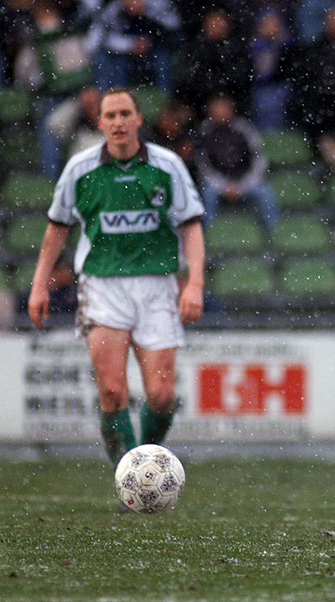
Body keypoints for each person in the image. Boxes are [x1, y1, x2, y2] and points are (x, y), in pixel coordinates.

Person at [27, 88, 205, 481]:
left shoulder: (168, 165)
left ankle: (148, 460)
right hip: (102, 285)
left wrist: (193, 283)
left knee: (160, 396)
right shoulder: (80, 168)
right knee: (112, 391)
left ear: (139, 119)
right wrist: (40, 283)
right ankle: (126, 475)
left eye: (126, 113)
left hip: (157, 285)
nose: (119, 121)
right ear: (100, 122)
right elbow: (57, 227)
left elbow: (191, 225)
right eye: (111, 115)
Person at [195, 94, 280, 235]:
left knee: (265, 193)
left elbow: (259, 159)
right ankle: (207, 237)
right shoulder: (204, 130)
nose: (220, 112)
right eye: (216, 108)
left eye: (223, 108)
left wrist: (242, 185)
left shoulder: (244, 128)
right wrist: (224, 185)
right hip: (217, 183)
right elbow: (203, 165)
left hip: (245, 181)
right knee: (207, 194)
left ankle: (274, 236)